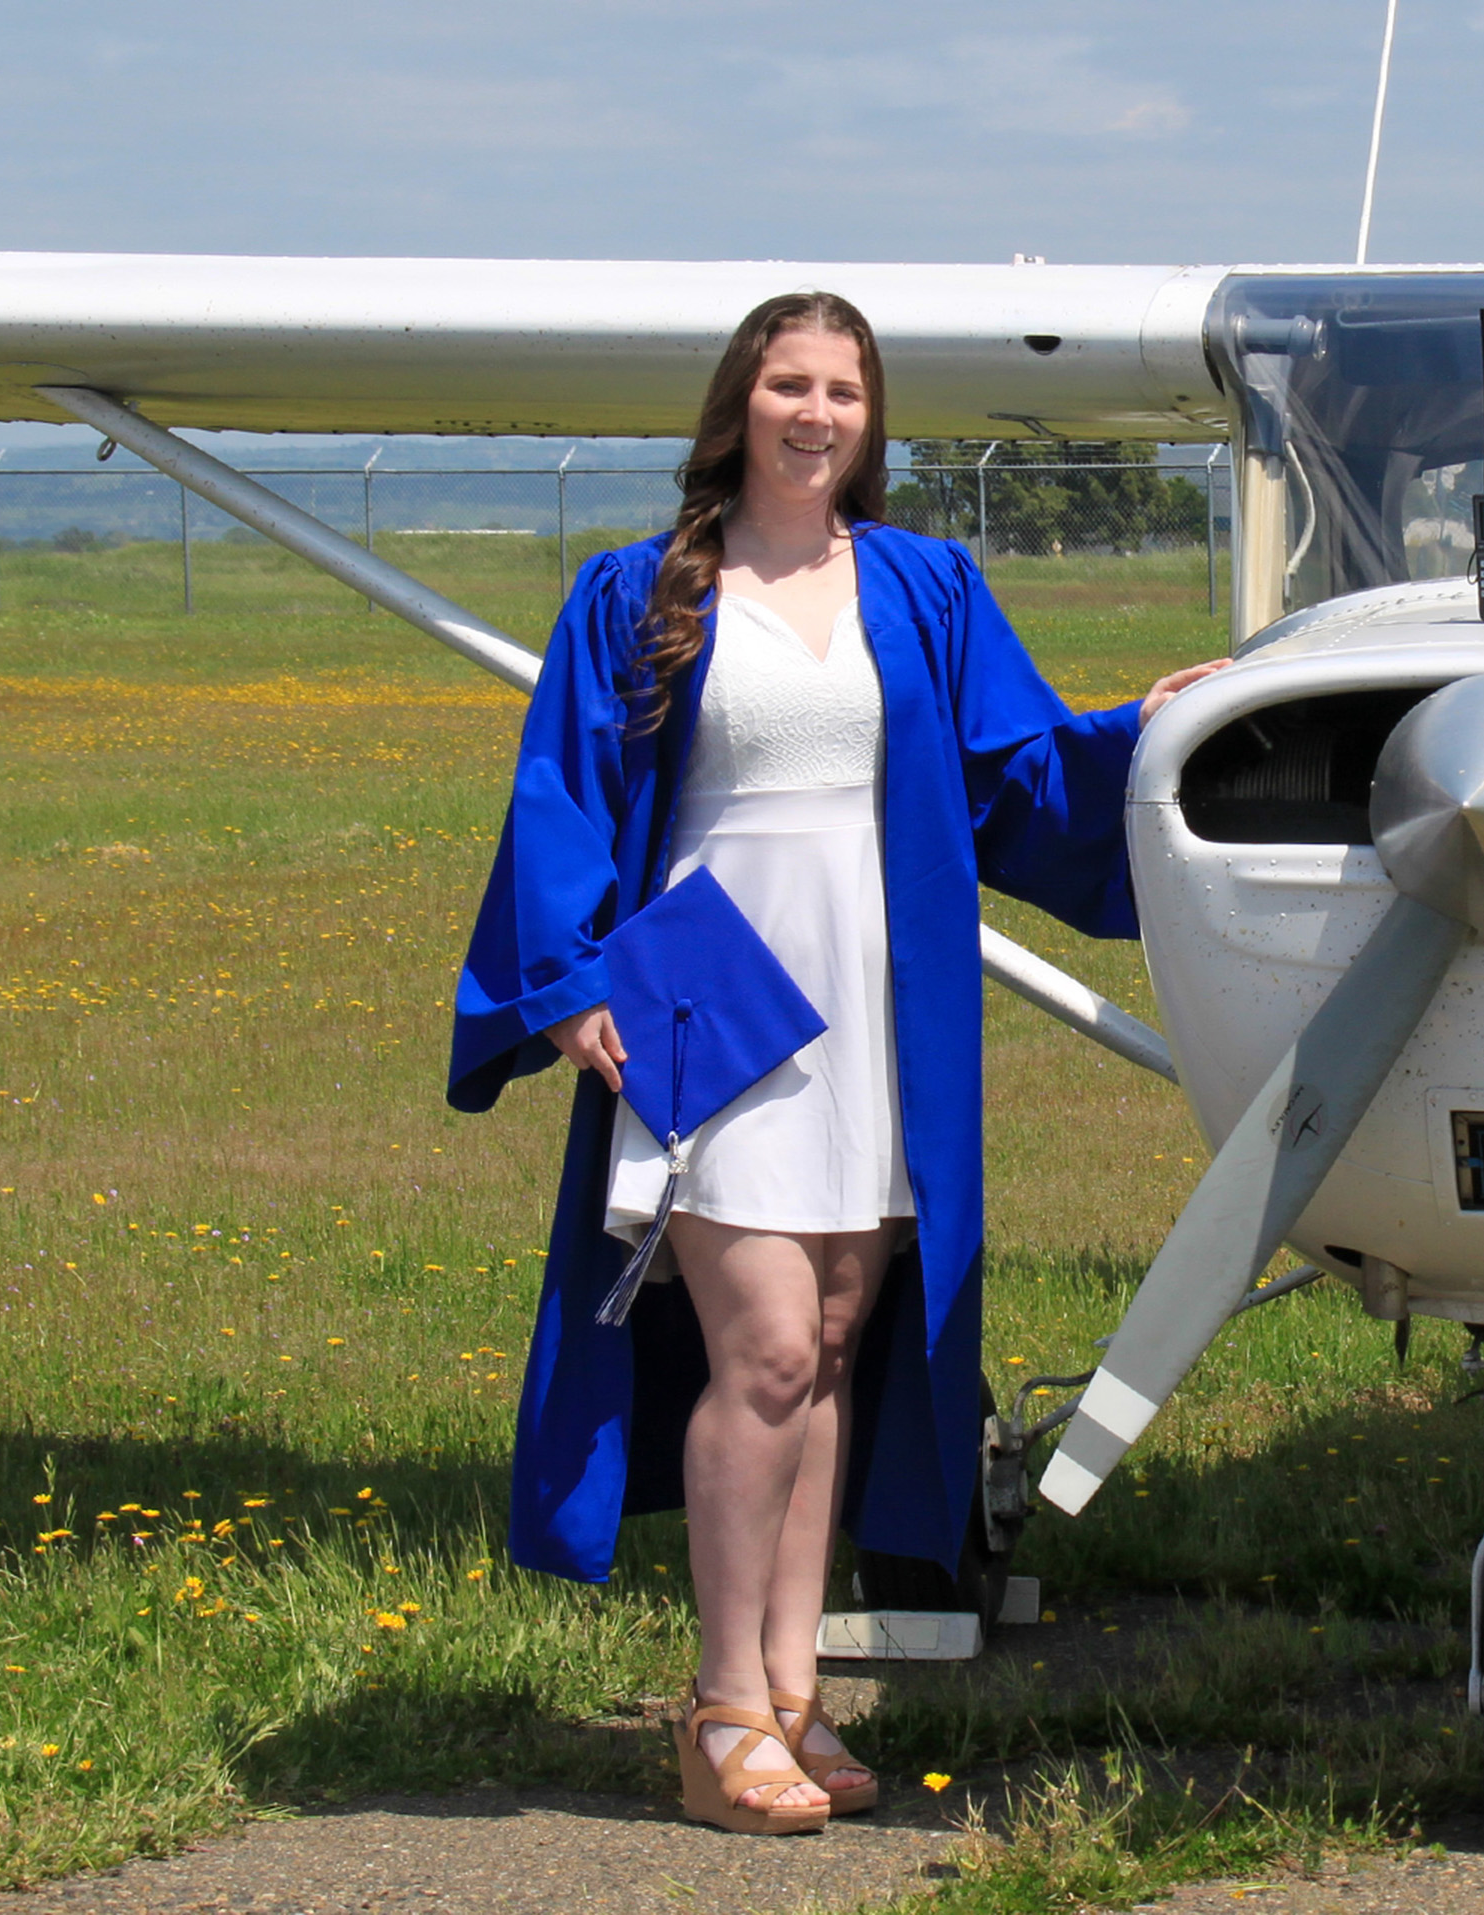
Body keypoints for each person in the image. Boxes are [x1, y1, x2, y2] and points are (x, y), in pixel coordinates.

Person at [447, 291, 1221, 1832]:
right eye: (790, 384)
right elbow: (564, 788)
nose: (817, 412)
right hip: (708, 993)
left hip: (874, 1000)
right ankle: (722, 1704)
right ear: (740, 404)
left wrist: (1149, 738)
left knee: (846, 1337)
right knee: (770, 1351)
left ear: (874, 419)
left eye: (845, 390)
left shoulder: (924, 588)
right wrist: (567, 981)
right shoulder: (642, 592)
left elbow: (1013, 770)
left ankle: (795, 1695)